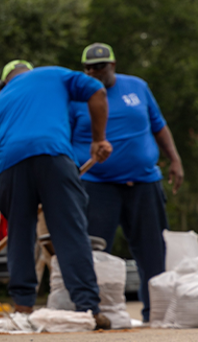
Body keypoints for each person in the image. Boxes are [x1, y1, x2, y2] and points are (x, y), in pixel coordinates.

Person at [0, 60, 112, 328]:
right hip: (53, 155)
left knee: (19, 234)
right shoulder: (53, 74)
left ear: (5, 82)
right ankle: (88, 308)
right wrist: (99, 139)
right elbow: (98, 91)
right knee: (70, 230)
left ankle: (22, 307)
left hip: (9, 164)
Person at [70, 43, 184, 322]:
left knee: (152, 251)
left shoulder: (137, 86)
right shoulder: (75, 97)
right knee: (96, 251)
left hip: (143, 182)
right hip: (97, 184)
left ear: (113, 65)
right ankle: (95, 313)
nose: (94, 72)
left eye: (100, 67)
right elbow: (64, 135)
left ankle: (155, 314)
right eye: (88, 68)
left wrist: (175, 159)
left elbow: (158, 125)